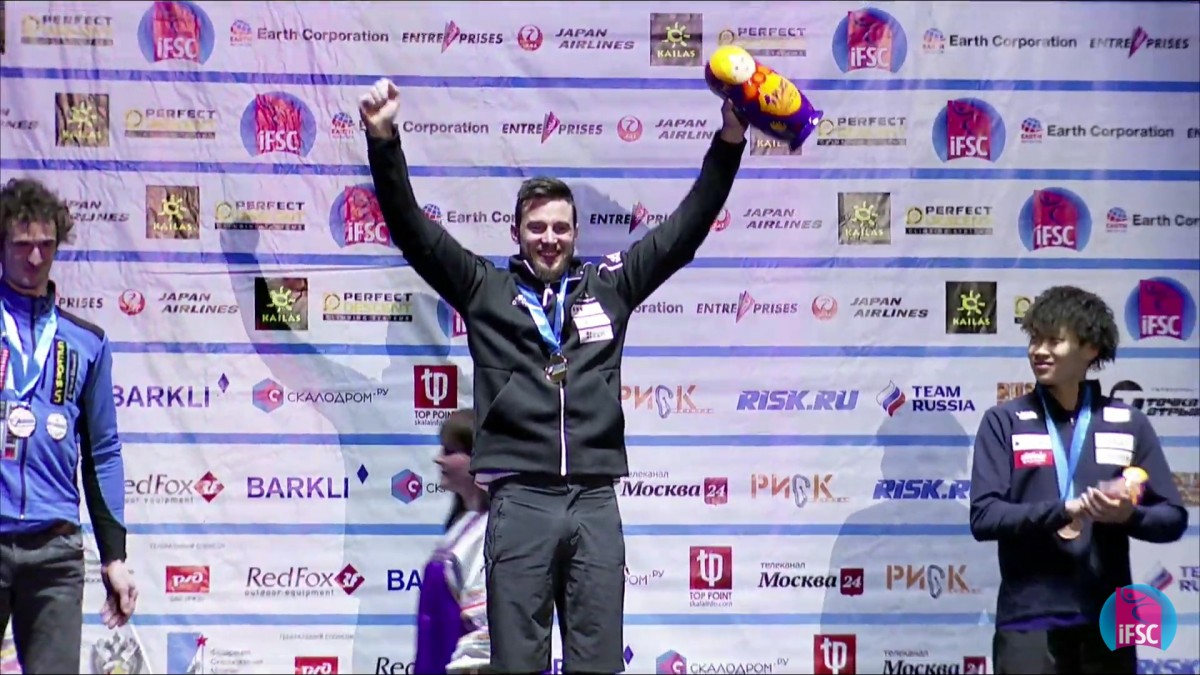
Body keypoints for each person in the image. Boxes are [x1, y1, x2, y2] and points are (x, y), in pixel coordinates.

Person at [359, 78, 747, 673]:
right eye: (537, 227)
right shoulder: (484, 289)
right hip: (520, 500)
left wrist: (729, 141)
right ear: (516, 233)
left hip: (594, 499)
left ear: (576, 234)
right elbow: (413, 231)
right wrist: (383, 139)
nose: (549, 239)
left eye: (561, 228)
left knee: (598, 664)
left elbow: (683, 232)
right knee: (517, 664)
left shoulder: (610, 286)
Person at [969, 285, 1188, 674]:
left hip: (1109, 621)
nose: (1039, 351)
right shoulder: (1004, 421)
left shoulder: (1128, 423)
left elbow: (1172, 517)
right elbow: (984, 516)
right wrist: (1065, 509)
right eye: (1035, 339)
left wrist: (1128, 516)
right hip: (1029, 620)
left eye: (1054, 341)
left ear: (1090, 348)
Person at [0, 178, 138, 674]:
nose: (35, 257)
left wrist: (114, 556)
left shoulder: (86, 342)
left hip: (55, 552)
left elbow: (103, 452)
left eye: (46, 244)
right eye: (22, 244)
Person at [415, 409, 490, 675]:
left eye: (449, 451)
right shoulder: (463, 525)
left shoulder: (493, 531)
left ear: (478, 458)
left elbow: (486, 627)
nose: (438, 459)